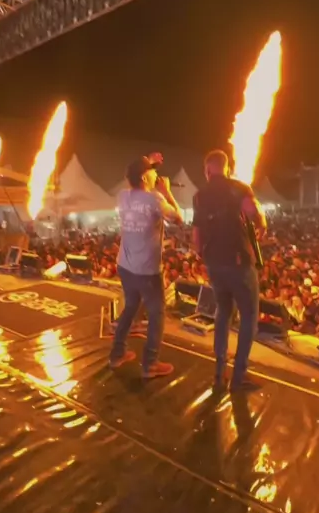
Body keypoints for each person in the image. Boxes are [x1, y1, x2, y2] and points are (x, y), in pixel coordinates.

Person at [192, 150, 266, 390]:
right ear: (226, 167)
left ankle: (219, 371)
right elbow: (253, 212)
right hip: (239, 263)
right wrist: (262, 222)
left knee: (223, 312)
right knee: (249, 317)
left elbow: (196, 236)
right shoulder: (238, 188)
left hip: (215, 264)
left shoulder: (199, 196)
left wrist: (204, 256)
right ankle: (239, 375)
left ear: (207, 170)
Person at [108, 154, 183, 377]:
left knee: (131, 306)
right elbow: (178, 218)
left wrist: (148, 163)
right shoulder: (155, 199)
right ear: (144, 177)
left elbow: (136, 175)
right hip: (147, 270)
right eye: (152, 171)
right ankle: (150, 363)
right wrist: (167, 191)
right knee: (157, 313)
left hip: (125, 265)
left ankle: (117, 355)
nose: (156, 174)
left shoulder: (123, 196)